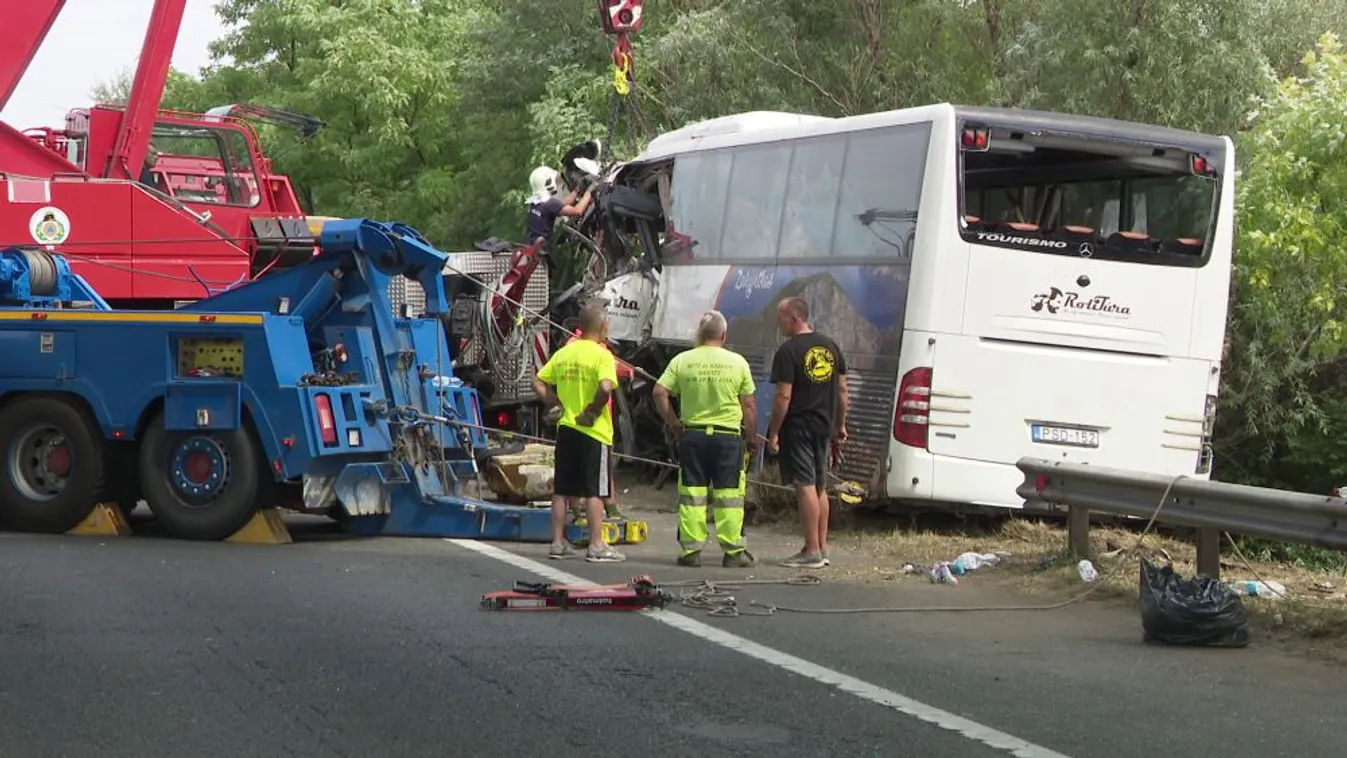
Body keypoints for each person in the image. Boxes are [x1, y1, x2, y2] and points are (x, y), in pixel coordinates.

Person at [653, 311, 759, 568]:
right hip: (728, 438)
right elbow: (749, 404)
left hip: (694, 437)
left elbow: (659, 392)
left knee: (692, 494)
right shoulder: (738, 362)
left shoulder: (682, 360)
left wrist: (674, 424)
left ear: (699, 334)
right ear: (723, 335)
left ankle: (691, 552)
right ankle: (733, 552)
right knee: (730, 497)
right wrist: (752, 437)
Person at [531, 302, 625, 563]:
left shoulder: (565, 353)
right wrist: (592, 411)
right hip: (594, 433)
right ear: (602, 326)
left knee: (562, 490)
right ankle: (596, 545)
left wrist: (555, 404)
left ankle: (557, 543)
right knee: (595, 490)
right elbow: (605, 388)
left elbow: (537, 381)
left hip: (567, 430)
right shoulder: (602, 355)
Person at [765, 297, 849, 569]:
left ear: (794, 318)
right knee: (820, 486)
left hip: (798, 425)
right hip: (824, 425)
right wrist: (840, 424)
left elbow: (783, 396)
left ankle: (811, 551)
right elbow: (842, 390)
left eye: (780, 317)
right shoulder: (831, 346)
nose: (778, 323)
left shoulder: (788, 351)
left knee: (805, 484)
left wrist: (774, 432)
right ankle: (821, 547)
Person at [563, 325, 634, 521]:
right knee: (599, 471)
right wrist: (628, 370)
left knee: (578, 469)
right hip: (594, 421)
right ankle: (607, 510)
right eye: (606, 328)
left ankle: (579, 512)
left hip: (571, 420)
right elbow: (608, 377)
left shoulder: (571, 346)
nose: (608, 333)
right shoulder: (597, 350)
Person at [524, 166, 593, 257]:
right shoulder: (549, 204)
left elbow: (561, 204)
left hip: (529, 247)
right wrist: (589, 192)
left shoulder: (535, 201)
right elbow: (578, 211)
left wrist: (577, 190)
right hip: (540, 252)